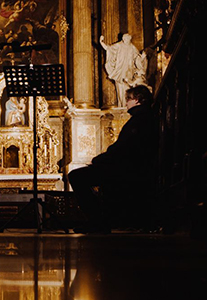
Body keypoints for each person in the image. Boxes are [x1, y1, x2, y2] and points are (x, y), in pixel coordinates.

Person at [67, 84, 159, 230]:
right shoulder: (144, 118)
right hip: (132, 167)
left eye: (128, 99)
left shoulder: (139, 120)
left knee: (76, 176)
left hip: (128, 170)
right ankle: (104, 218)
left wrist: (99, 160)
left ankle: (97, 220)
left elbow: (123, 149)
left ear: (137, 100)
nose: (126, 103)